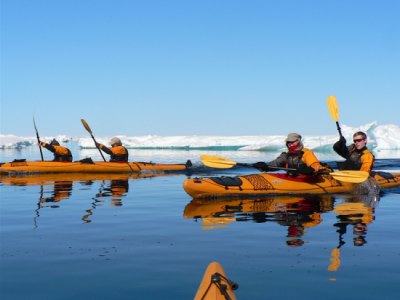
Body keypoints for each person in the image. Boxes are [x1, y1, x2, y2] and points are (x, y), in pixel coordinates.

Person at [253, 133, 330, 175]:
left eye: (292, 142)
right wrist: (265, 166)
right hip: (294, 179)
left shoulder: (306, 153)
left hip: (309, 179)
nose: (290, 144)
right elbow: (275, 164)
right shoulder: (286, 155)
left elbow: (316, 166)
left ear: (299, 142)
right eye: (288, 143)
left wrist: (311, 169)